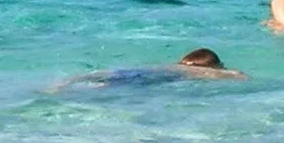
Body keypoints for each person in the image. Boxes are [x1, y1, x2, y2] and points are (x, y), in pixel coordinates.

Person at [53, 49, 247, 91]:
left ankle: (64, 84)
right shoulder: (203, 72)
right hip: (149, 81)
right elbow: (239, 77)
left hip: (137, 72)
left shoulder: (167, 66)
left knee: (108, 79)